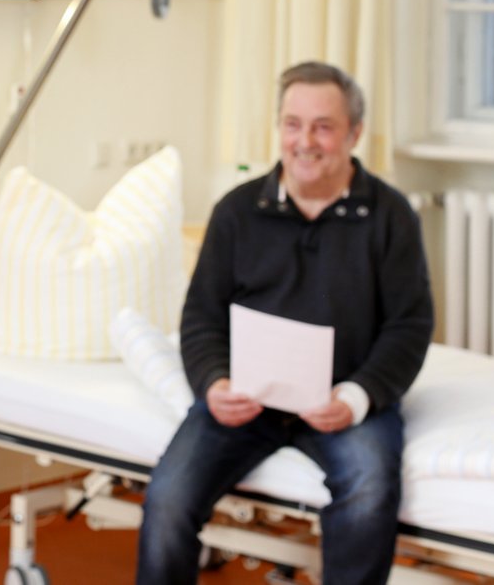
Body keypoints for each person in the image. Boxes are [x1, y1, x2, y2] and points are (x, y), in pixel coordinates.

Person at [136, 61, 434, 585]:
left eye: (323, 126)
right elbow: (201, 316)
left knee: (369, 492)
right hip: (246, 404)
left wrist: (357, 398)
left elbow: (410, 326)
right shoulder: (236, 212)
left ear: (354, 133)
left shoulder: (389, 216)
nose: (305, 141)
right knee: (167, 498)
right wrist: (214, 384)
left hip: (344, 402)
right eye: (293, 124)